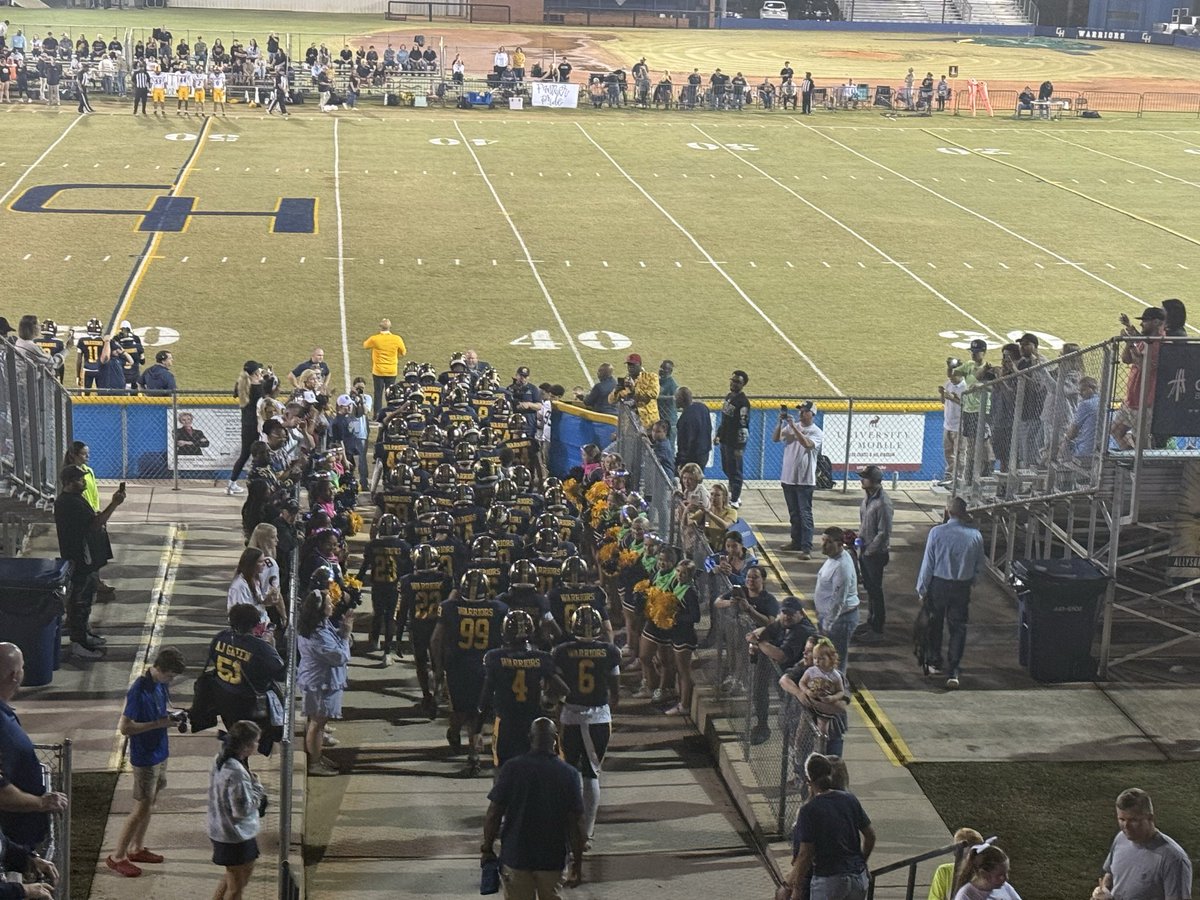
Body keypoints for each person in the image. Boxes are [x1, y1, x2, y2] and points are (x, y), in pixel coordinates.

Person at [106, 647, 188, 878]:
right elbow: (125, 727)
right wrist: (158, 724)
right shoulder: (138, 690)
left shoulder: (161, 684)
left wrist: (173, 717)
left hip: (160, 751)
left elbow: (160, 713)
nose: (171, 680)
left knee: (150, 802)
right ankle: (117, 855)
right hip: (145, 757)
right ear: (161, 669)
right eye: (170, 676)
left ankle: (136, 848)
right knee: (141, 806)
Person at [482, 718, 586, 895]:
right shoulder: (569, 774)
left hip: (516, 856)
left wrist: (487, 848)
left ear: (530, 737)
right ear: (556, 738)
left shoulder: (512, 769)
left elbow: (494, 813)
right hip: (552, 859)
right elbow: (576, 823)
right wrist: (577, 862)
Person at [552, 606, 620, 843]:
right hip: (599, 717)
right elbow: (615, 690)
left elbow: (555, 686)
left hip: (571, 715)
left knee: (568, 772)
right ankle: (587, 832)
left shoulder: (561, 651)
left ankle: (566, 830)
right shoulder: (610, 651)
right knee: (591, 774)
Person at [0, 644, 69, 852]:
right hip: (13, 841)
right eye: (22, 667)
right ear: (14, 675)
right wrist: (41, 803)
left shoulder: (5, 715)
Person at [480, 610, 567, 768]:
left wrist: (477, 728)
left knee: (502, 769)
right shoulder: (541, 658)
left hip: (506, 721)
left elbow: (486, 694)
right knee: (536, 768)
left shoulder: (495, 657)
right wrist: (550, 701)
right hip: (533, 721)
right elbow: (563, 689)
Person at [55, 466, 125, 659]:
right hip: (81, 560)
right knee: (80, 601)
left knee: (86, 599)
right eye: (79, 479)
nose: (84, 482)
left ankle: (85, 633)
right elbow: (95, 523)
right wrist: (114, 504)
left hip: (87, 559)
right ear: (69, 482)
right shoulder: (69, 503)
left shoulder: (74, 500)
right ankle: (79, 643)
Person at [917, 497, 985, 689]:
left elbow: (928, 564)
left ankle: (934, 661)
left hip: (939, 584)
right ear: (964, 513)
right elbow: (980, 564)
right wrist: (972, 581)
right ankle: (954, 668)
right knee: (958, 627)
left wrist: (922, 588)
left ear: (948, 511)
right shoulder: (975, 535)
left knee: (935, 623)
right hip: (961, 587)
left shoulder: (937, 533)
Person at [787, 752, 874, 900]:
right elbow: (870, 836)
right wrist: (861, 863)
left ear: (808, 780)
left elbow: (805, 854)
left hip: (829, 880)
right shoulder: (850, 799)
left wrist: (794, 888)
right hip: (857, 878)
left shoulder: (808, 810)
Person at [208, 604, 287, 743]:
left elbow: (213, 657)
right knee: (251, 740)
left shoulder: (220, 637)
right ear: (256, 624)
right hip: (248, 702)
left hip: (223, 697)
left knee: (235, 734)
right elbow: (281, 674)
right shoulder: (261, 647)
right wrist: (271, 647)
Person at [207, 720, 268, 900]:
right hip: (234, 835)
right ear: (246, 746)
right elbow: (241, 810)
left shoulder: (221, 759)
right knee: (236, 887)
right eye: (256, 741)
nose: (258, 744)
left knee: (232, 876)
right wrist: (257, 787)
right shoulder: (236, 772)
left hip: (224, 830)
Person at [1095, 788, 1192, 900]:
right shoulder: (1121, 839)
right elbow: (1110, 873)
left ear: (1150, 818)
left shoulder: (1173, 859)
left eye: (1133, 820)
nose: (1126, 826)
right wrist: (1104, 890)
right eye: (1121, 819)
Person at [296, 590, 353, 776]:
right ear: (320, 609)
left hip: (323, 681)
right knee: (316, 723)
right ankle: (314, 763)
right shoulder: (317, 634)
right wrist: (345, 635)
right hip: (320, 683)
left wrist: (342, 631)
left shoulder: (320, 625)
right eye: (329, 603)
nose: (332, 606)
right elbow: (339, 656)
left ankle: (317, 756)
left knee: (319, 722)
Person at [747, 596, 815, 745]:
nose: (787, 616)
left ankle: (797, 758)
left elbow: (781, 656)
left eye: (791, 613)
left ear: (801, 614)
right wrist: (758, 634)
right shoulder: (784, 622)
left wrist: (759, 643)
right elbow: (768, 630)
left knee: (793, 724)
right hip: (789, 681)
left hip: (800, 685)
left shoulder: (802, 630)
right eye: (784, 612)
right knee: (785, 722)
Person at [1111, 308, 1165, 451]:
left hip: (1144, 400)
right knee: (1115, 430)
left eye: (1145, 321)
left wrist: (1130, 343)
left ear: (1156, 322)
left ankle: (1143, 467)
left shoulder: (1159, 343)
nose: (1142, 324)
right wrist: (1128, 342)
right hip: (1131, 399)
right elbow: (1126, 359)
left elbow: (1143, 366)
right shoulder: (1145, 340)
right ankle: (1131, 459)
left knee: (1140, 440)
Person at [775, 401, 822, 556]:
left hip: (805, 481)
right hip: (788, 478)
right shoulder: (791, 426)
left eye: (804, 411)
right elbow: (775, 438)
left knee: (805, 514)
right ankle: (795, 542)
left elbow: (807, 444)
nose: (800, 414)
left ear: (812, 414)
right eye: (800, 411)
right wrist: (779, 422)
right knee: (794, 514)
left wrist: (794, 427)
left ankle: (806, 547)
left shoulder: (816, 432)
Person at [855, 465, 892, 643]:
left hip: (875, 554)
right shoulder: (867, 499)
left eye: (865, 477)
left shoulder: (883, 503)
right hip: (865, 551)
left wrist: (869, 551)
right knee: (869, 589)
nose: (861, 480)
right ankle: (870, 622)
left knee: (875, 591)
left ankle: (877, 628)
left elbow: (883, 532)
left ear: (875, 481)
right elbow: (865, 525)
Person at [228, 361, 266, 495]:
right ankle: (259, 482)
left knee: (244, 455)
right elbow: (266, 395)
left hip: (246, 424)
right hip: (258, 425)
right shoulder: (259, 386)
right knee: (261, 454)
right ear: (255, 372)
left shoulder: (241, 383)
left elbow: (236, 393)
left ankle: (232, 482)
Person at [714, 370, 751, 507]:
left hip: (734, 443)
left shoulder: (743, 403)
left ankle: (735, 499)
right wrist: (719, 434)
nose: (733, 383)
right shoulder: (729, 397)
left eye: (737, 382)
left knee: (735, 471)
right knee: (727, 469)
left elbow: (743, 426)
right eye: (733, 380)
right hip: (725, 440)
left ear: (743, 385)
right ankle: (735, 494)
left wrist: (740, 447)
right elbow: (724, 419)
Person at [363, 319, 408, 414]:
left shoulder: (375, 339)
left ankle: (377, 414)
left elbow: (365, 345)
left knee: (378, 394)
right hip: (391, 370)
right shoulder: (397, 339)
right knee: (392, 394)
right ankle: (391, 413)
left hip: (378, 371)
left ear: (380, 327)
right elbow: (403, 352)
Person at [928, 828, 986, 900]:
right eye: (970, 854)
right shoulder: (944, 871)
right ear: (957, 853)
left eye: (979, 852)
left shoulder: (987, 874)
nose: (974, 858)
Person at [609, 354, 659, 431]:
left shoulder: (651, 377)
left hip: (648, 422)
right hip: (630, 423)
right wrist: (616, 391)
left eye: (633, 365)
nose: (630, 367)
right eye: (628, 364)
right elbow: (611, 401)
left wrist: (634, 390)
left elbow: (654, 393)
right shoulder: (625, 381)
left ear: (640, 364)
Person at [953, 844, 1022, 900]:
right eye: (1000, 875)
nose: (1006, 878)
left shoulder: (1005, 887)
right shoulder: (966, 895)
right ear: (984, 874)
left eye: (1006, 872)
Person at [674, 386, 712, 472]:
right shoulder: (703, 407)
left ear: (681, 399)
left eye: (676, 397)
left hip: (691, 458)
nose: (674, 400)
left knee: (688, 482)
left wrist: (680, 462)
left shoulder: (684, 419)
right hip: (704, 454)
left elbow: (684, 444)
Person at [939, 369, 966, 483]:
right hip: (948, 424)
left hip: (959, 426)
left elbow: (967, 405)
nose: (950, 379)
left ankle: (959, 478)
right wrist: (942, 394)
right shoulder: (948, 384)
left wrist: (952, 398)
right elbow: (944, 401)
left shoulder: (965, 387)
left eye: (952, 377)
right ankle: (949, 476)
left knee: (960, 453)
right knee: (948, 452)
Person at [657, 360, 678, 444]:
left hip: (669, 421)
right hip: (659, 418)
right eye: (661, 367)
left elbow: (675, 399)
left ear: (670, 371)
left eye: (664, 368)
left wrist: (658, 398)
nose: (661, 370)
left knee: (669, 445)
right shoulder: (657, 381)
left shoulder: (672, 385)